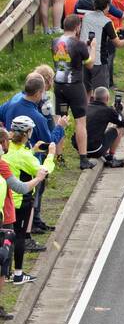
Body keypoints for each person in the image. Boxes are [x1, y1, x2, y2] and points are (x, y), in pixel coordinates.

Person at [1, 117, 52, 285]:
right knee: (20, 237)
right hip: (22, 200)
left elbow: (18, 162)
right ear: (27, 133)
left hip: (7, 202)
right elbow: (44, 171)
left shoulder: (12, 150)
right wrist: (50, 156)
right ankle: (18, 274)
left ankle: (6, 274)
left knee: (7, 238)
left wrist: (32, 151)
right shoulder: (23, 154)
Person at [52, 16, 92, 166]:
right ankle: (83, 159)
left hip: (59, 86)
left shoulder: (55, 42)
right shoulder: (79, 44)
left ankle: (59, 157)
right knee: (80, 122)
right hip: (75, 87)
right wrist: (91, 48)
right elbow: (89, 64)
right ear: (77, 28)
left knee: (61, 120)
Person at [84, 86, 124, 167]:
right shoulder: (108, 111)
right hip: (95, 150)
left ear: (93, 97)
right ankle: (111, 157)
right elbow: (123, 123)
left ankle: (105, 153)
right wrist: (118, 111)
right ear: (107, 98)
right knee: (119, 128)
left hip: (81, 149)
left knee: (98, 128)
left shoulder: (86, 107)